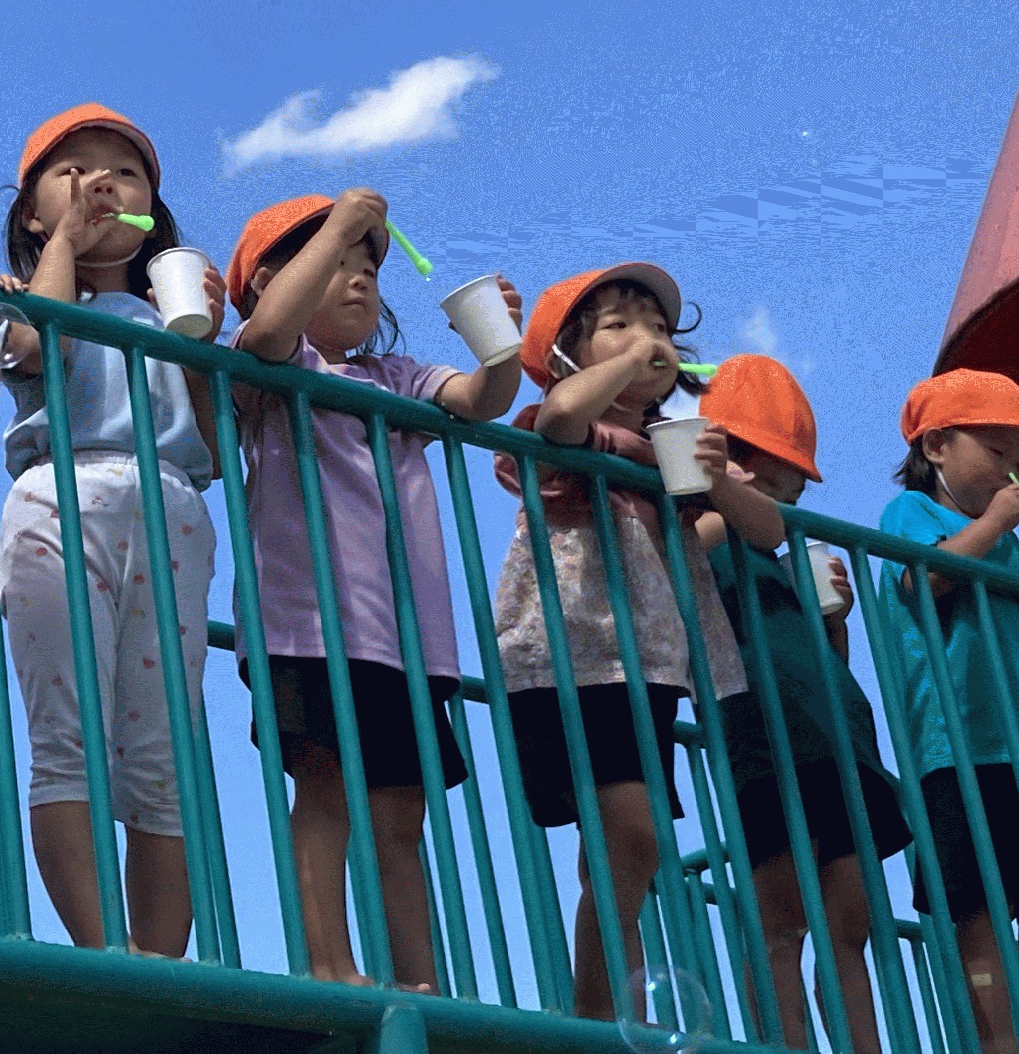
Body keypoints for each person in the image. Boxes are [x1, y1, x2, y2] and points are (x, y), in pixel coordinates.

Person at [225, 189, 522, 988]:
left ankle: (418, 980)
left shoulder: (397, 376)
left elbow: (480, 402)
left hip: (406, 639)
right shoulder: (272, 364)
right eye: (336, 260)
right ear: (268, 281)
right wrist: (343, 222)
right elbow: (268, 332)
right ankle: (329, 966)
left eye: (370, 265)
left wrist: (500, 347)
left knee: (401, 813)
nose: (359, 276)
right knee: (326, 788)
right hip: (306, 624)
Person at [492, 263, 775, 1020]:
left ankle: (609, 1012)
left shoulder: (672, 445)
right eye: (617, 325)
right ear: (567, 356)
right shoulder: (573, 426)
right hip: (568, 650)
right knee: (631, 835)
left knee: (623, 851)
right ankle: (603, 1012)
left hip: (646, 662)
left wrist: (720, 482)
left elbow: (767, 528)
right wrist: (627, 364)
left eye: (658, 328)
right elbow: (560, 416)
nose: (647, 339)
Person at [0, 102, 222, 955]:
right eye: (73, 171)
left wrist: (208, 344)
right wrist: (63, 246)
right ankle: (103, 951)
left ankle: (160, 967)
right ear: (30, 213)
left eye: (125, 174)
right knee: (69, 740)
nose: (102, 184)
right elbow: (38, 346)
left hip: (173, 506)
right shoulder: (15, 298)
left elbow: (217, 447)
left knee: (165, 761)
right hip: (61, 491)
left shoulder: (171, 320)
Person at [697, 355, 908, 1053]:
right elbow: (685, 561)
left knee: (850, 918)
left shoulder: (778, 554)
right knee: (780, 915)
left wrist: (836, 621)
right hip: (763, 731)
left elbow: (827, 664)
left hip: (836, 737)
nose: (791, 496)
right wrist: (722, 493)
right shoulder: (703, 525)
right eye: (788, 475)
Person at [879, 369, 1019, 1054]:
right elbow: (924, 579)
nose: (1011, 470)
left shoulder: (1009, 541)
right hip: (958, 748)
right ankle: (999, 1044)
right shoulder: (912, 513)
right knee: (978, 911)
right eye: (996, 451)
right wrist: (993, 524)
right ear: (936, 447)